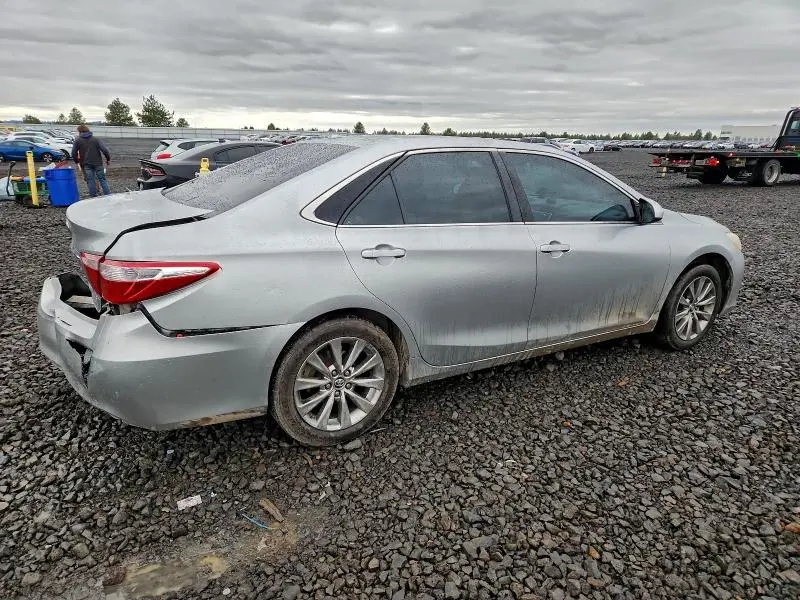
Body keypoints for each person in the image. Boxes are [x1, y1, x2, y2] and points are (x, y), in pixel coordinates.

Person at [72, 124, 111, 197]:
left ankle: (93, 198)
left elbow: (73, 153)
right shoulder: (96, 139)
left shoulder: (77, 140)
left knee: (91, 181)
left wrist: (77, 161)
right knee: (102, 179)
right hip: (98, 163)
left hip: (86, 164)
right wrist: (108, 159)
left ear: (80, 132)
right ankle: (108, 196)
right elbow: (105, 150)